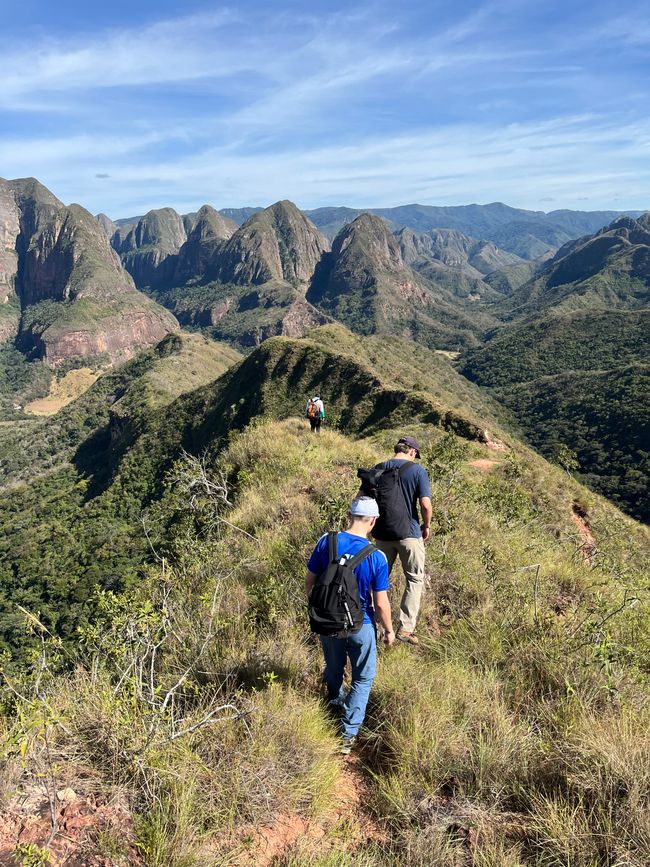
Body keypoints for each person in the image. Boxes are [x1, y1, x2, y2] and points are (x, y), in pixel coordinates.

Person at [306, 496, 394, 753]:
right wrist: (388, 630)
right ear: (374, 521)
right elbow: (381, 604)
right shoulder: (376, 556)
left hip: (328, 622)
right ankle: (347, 735)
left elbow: (310, 581)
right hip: (361, 625)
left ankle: (334, 704)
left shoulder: (327, 541)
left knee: (333, 666)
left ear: (350, 515)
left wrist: (320, 609)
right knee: (363, 679)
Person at [371, 436, 432, 646]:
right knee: (414, 579)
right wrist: (426, 525)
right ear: (413, 452)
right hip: (409, 533)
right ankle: (405, 629)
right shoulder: (417, 471)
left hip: (381, 534)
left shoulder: (378, 468)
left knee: (377, 581)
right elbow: (425, 504)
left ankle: (375, 625)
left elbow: (362, 497)